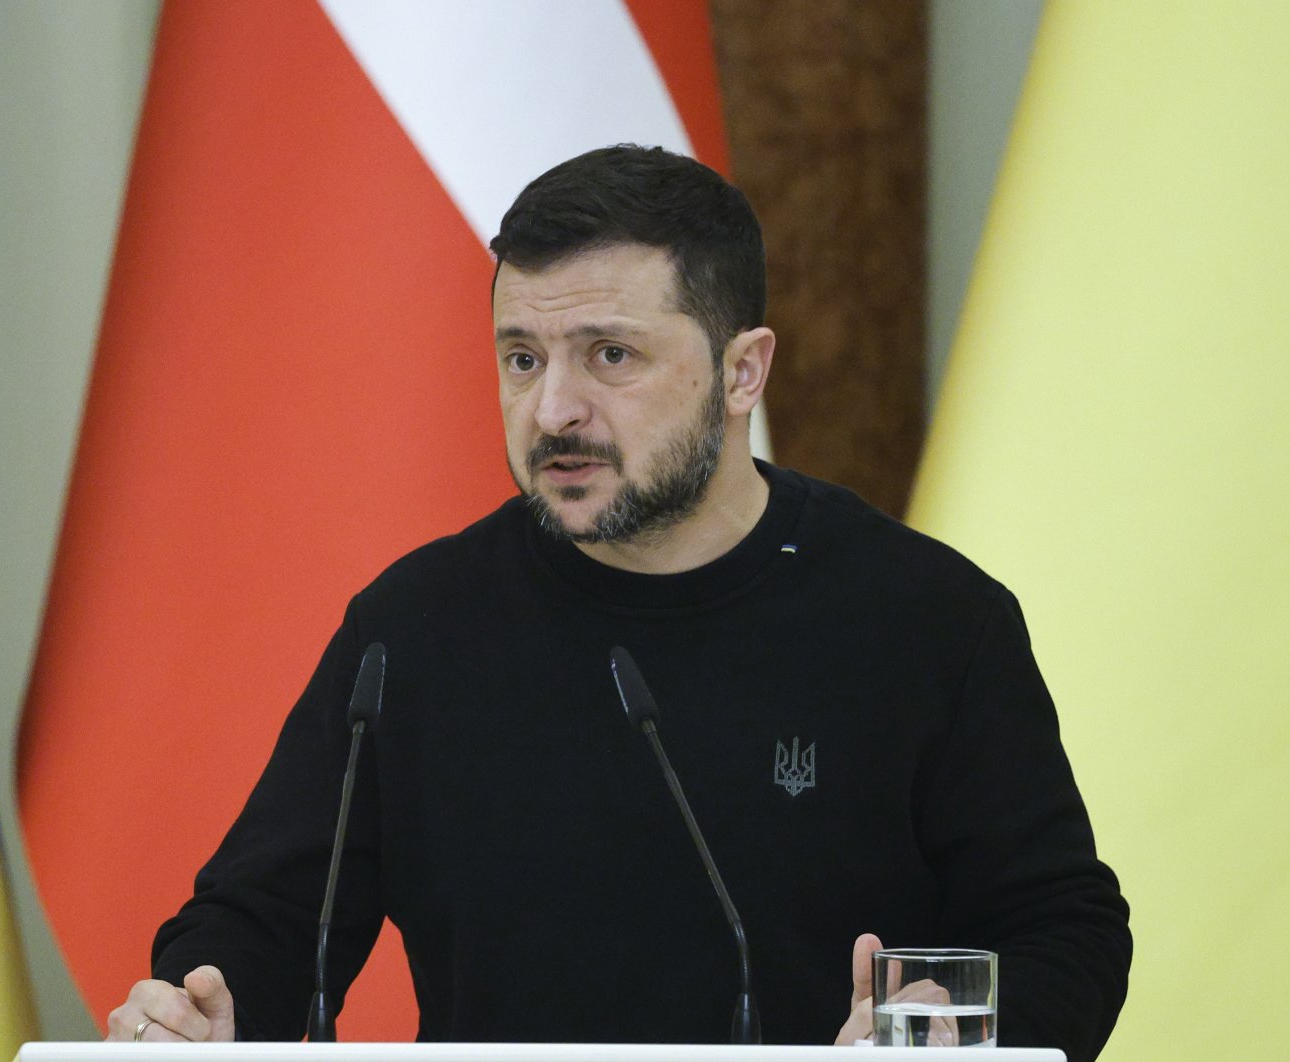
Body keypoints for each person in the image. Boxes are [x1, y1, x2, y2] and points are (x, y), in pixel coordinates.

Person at [106, 145, 1132, 1058]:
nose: (552, 410)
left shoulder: (926, 619)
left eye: (610, 355)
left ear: (742, 372)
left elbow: (1061, 928)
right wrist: (205, 1010)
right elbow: (264, 919)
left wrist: (959, 1034)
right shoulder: (413, 631)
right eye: (521, 358)